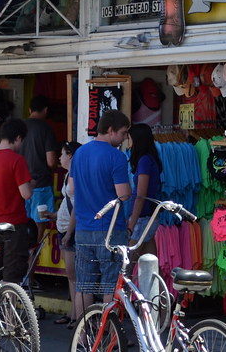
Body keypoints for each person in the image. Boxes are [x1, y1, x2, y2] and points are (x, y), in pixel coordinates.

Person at [68, 109, 132, 310]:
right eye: (122, 133)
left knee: (84, 286)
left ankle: (84, 336)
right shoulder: (116, 157)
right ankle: (111, 337)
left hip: (84, 228)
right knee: (110, 285)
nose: (124, 139)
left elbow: (71, 189)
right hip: (111, 229)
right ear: (111, 130)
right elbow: (123, 194)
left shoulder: (79, 154)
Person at [0, 117, 33, 284]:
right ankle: (9, 311)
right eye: (21, 141)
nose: (21, 145)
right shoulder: (17, 160)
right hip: (13, 226)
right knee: (12, 276)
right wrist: (30, 183)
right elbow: (26, 194)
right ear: (17, 138)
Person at [21, 95, 59, 252]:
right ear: (45, 110)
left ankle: (22, 262)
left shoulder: (18, 128)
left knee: (21, 223)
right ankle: (31, 263)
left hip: (20, 186)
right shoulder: (46, 129)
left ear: (30, 110)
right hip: (41, 185)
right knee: (39, 224)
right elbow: (51, 161)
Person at [53, 140, 82, 326]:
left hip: (70, 230)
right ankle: (72, 313)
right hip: (62, 227)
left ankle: (78, 316)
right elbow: (67, 203)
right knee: (70, 274)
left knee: (74, 273)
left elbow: (77, 205)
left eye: (62, 153)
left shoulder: (76, 175)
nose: (59, 157)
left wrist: (69, 232)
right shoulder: (66, 175)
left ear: (70, 155)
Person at [126, 122, 163, 260]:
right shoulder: (149, 159)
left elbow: (141, 195)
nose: (127, 141)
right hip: (148, 216)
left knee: (127, 264)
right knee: (150, 261)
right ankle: (156, 282)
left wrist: (131, 223)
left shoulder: (144, 161)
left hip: (142, 217)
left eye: (129, 137)